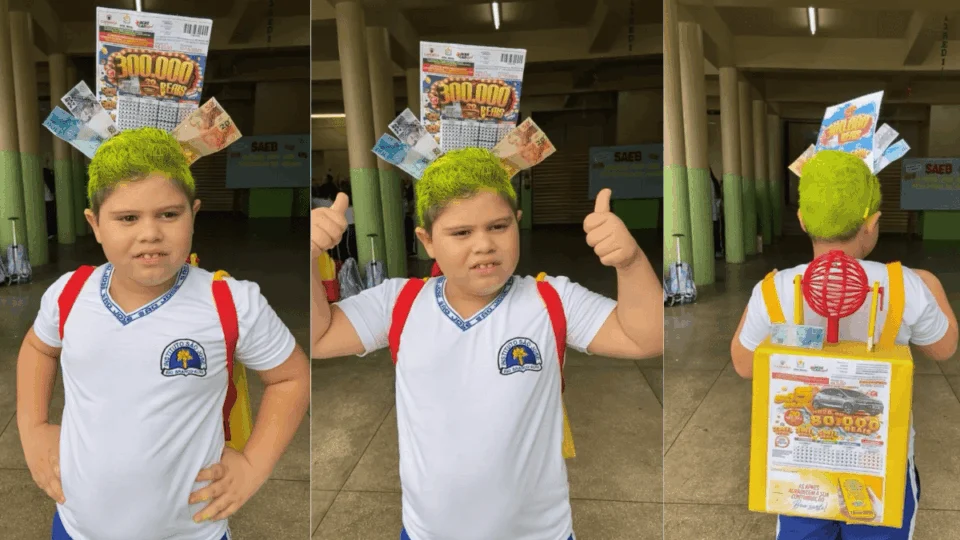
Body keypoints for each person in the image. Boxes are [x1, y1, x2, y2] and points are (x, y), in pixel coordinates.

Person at [310, 147, 663, 540]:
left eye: (498, 227)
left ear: (518, 222)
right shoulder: (398, 304)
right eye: (461, 233)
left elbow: (645, 338)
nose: (483, 245)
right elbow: (319, 337)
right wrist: (308, 257)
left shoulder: (551, 300)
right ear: (427, 240)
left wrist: (630, 262)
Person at [17, 127, 311, 540]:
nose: (150, 233)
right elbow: (38, 348)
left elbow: (291, 376)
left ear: (194, 212)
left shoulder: (230, 303)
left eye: (169, 214)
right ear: (95, 223)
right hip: (76, 527)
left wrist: (253, 466)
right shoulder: (68, 294)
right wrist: (32, 428)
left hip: (191, 532)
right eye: (127, 218)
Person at [730, 150, 959, 540]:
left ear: (801, 220)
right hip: (881, 468)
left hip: (801, 467)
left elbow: (744, 364)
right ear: (872, 223)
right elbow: (944, 347)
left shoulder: (774, 289)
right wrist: (930, 283)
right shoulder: (907, 286)